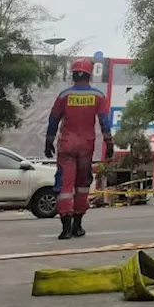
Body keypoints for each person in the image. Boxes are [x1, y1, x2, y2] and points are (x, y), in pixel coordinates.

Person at [45, 57, 112, 240]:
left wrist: (48, 141)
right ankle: (78, 225)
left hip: (66, 145)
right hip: (86, 146)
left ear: (73, 75)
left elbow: (53, 119)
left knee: (65, 186)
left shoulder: (64, 96)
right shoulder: (98, 96)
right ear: (89, 76)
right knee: (82, 185)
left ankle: (65, 228)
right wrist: (109, 142)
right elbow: (104, 122)